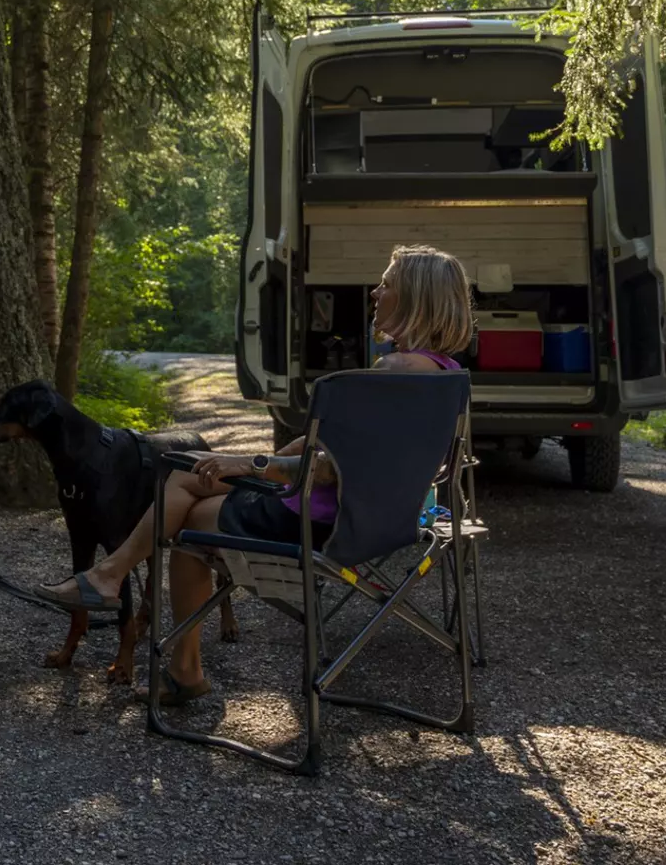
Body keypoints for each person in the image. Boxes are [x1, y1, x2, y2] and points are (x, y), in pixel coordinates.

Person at [34, 243, 473, 703]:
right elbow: (329, 446)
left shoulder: (392, 371)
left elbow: (326, 471)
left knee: (184, 520)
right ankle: (111, 577)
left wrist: (251, 465)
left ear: (413, 300)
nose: (375, 294)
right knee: (191, 476)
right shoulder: (445, 377)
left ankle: (164, 646)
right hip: (386, 525)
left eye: (386, 285)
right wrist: (256, 464)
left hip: (316, 523)